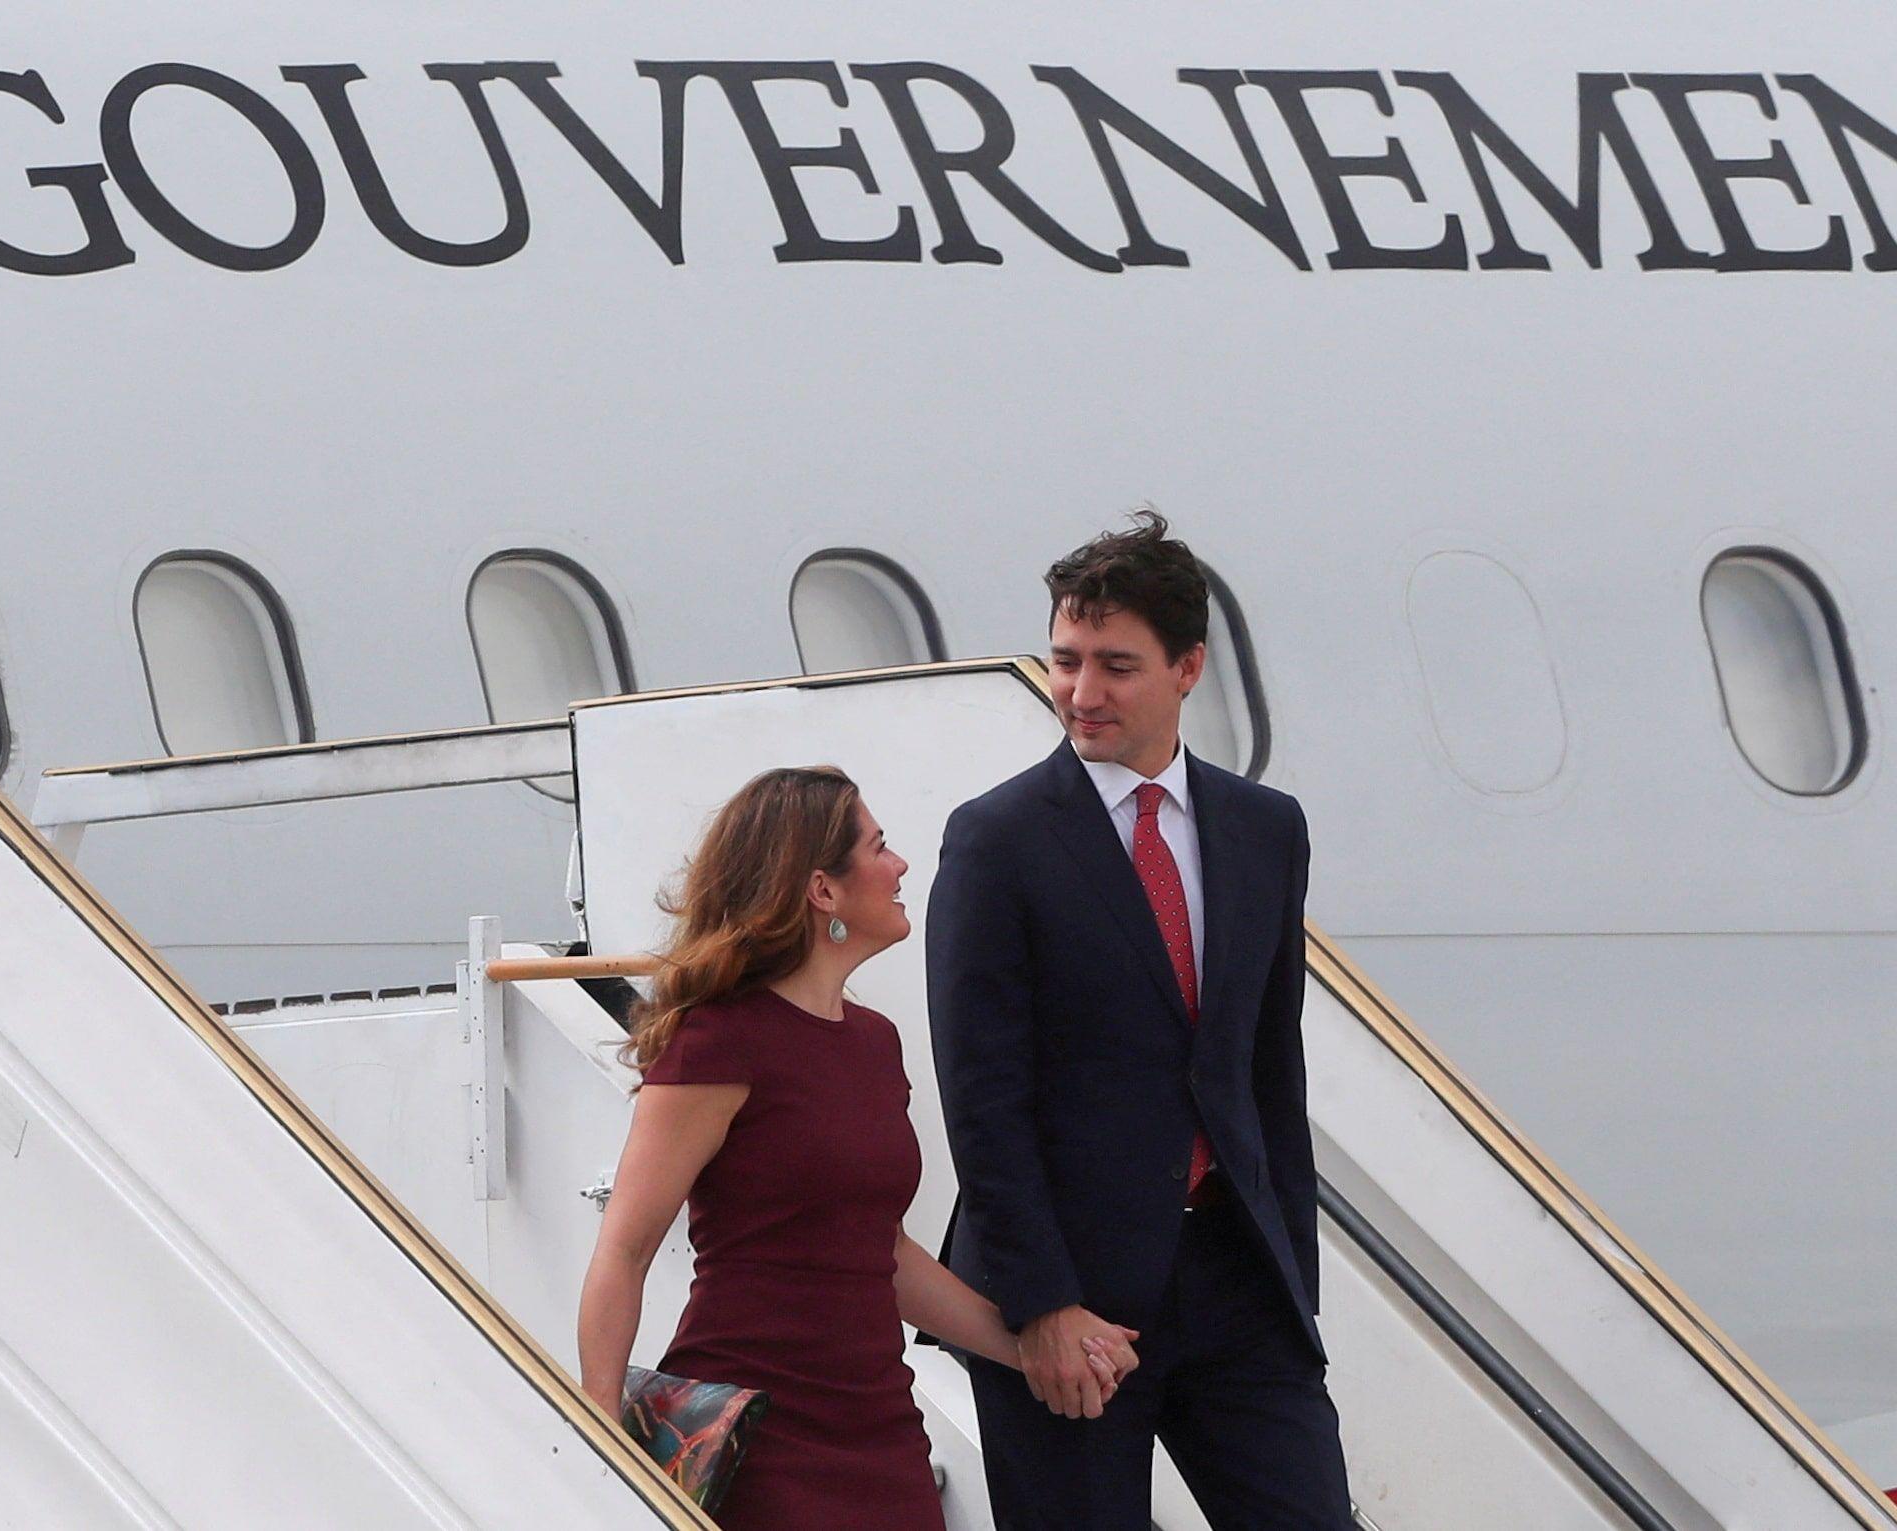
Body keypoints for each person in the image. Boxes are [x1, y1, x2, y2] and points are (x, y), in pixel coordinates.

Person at [927, 511, 1353, 1529]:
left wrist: (1292, 1277)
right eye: (1066, 660)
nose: (1080, 692)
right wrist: (1040, 1307)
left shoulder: (1264, 829)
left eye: (1115, 665)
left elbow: (1265, 1068)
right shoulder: (998, 840)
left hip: (1237, 1283)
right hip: (1068, 1298)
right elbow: (982, 1097)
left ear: (1188, 667)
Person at [578, 765, 1134, 1531]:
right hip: (757, 1432)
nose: (901, 865)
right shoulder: (718, 1041)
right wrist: (599, 1437)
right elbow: (625, 1249)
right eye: (880, 846)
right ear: (822, 891)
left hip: (879, 1429)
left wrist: (1036, 1344)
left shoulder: (874, 1043)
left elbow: (884, 1253)